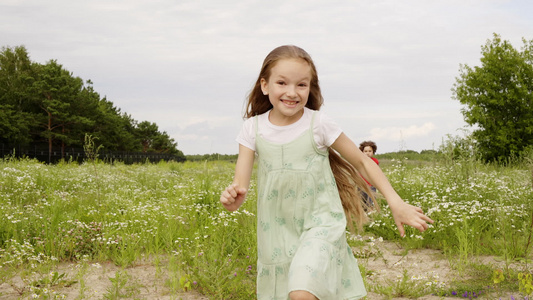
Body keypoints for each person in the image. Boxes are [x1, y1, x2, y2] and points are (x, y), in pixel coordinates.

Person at [220, 45, 433, 300]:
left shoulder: (318, 124)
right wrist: (233, 199)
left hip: (320, 224)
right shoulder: (251, 129)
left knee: (301, 293)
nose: (292, 92)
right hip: (276, 232)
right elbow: (239, 185)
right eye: (282, 83)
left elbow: (364, 163)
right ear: (265, 86)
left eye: (301, 84)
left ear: (310, 88)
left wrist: (395, 202)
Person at [359, 141, 379, 207]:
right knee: (362, 202)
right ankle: (364, 215)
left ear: (373, 152)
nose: (368, 153)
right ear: (362, 152)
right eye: (366, 151)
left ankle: (371, 214)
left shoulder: (375, 161)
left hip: (371, 185)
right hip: (361, 185)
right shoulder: (360, 161)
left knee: (371, 202)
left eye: (370, 151)